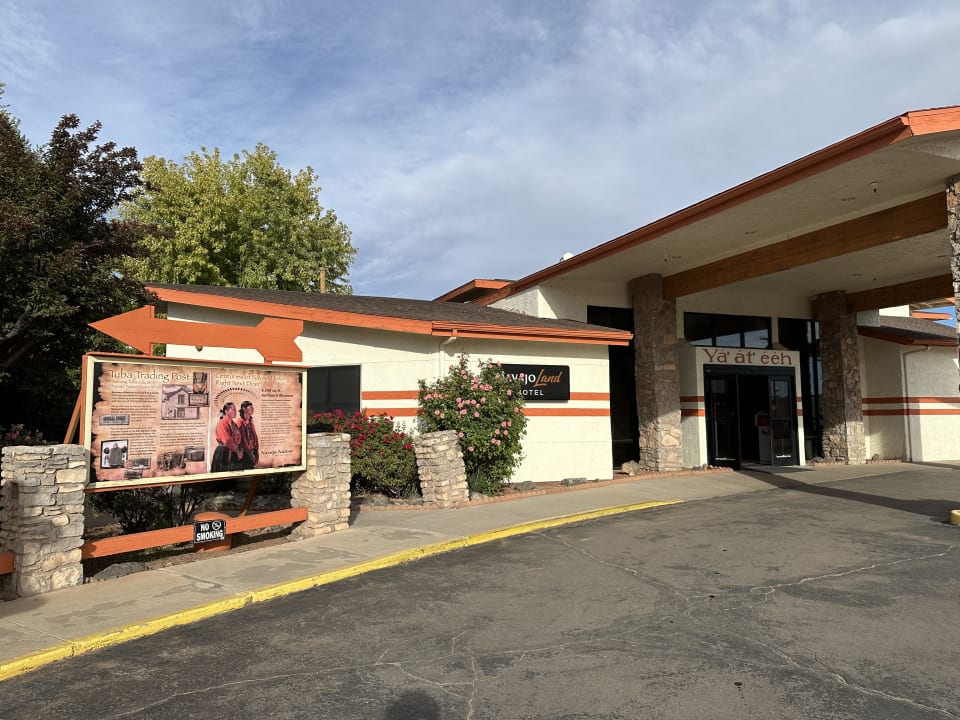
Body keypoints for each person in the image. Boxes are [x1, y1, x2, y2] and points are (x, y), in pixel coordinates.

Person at [210, 402, 243, 472]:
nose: (235, 411)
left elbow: (238, 438)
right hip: (223, 452)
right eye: (233, 409)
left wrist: (239, 450)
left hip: (233, 452)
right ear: (226, 411)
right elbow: (227, 440)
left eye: (235, 410)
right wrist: (237, 450)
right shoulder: (222, 423)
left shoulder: (234, 424)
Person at [238, 400, 260, 470]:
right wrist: (250, 454)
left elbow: (255, 438)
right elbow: (242, 441)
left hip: (252, 452)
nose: (252, 409)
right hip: (244, 454)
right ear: (244, 409)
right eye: (250, 407)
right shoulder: (239, 422)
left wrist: (256, 451)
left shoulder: (251, 424)